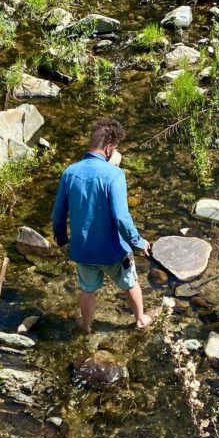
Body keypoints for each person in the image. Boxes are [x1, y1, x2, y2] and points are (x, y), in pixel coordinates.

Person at [52, 117, 152, 334]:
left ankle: (86, 327)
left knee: (87, 290)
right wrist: (138, 241)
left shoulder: (70, 172)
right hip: (113, 252)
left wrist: (62, 239)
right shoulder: (114, 174)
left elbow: (58, 214)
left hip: (83, 250)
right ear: (109, 148)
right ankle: (141, 319)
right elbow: (121, 217)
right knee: (130, 283)